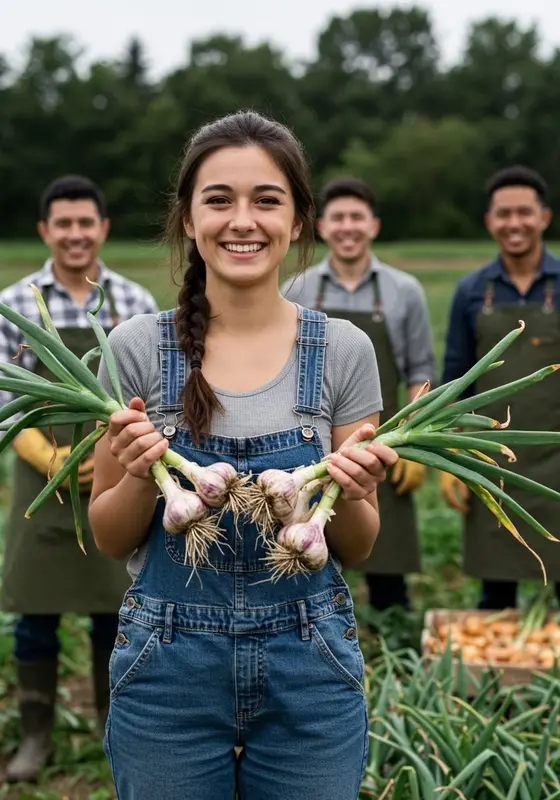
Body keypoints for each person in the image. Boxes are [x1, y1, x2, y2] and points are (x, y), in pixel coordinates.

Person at [88, 111, 398, 800]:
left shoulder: (343, 352)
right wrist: (143, 477)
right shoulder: (136, 348)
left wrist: (347, 491)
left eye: (266, 200)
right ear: (189, 219)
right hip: (167, 670)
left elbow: (360, 543)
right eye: (219, 199)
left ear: (297, 221)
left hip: (309, 665)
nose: (242, 221)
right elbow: (109, 536)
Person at [0, 175, 159, 783]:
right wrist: (48, 458)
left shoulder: (133, 303)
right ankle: (35, 737)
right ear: (45, 231)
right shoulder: (17, 299)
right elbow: (6, 398)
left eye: (84, 223)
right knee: (33, 610)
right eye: (62, 224)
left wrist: (109, 456)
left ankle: (108, 727)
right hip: (40, 483)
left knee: (111, 608)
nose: (74, 234)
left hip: (115, 473)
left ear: (103, 229)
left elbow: (152, 394)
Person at [281, 178, 436, 611]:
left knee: (388, 562)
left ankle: (390, 633)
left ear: (374, 226)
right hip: (308, 442)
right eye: (339, 218)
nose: (348, 227)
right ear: (322, 227)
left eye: (357, 218)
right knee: (309, 550)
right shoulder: (298, 289)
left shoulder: (404, 291)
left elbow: (419, 372)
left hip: (379, 446)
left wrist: (409, 440)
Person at [440, 165, 560, 609]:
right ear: (490, 221)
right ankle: (498, 670)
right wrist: (452, 452)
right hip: (493, 462)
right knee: (496, 586)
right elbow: (456, 379)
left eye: (524, 213)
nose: (514, 223)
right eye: (503, 214)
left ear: (544, 217)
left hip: (557, 456)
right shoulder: (472, 291)